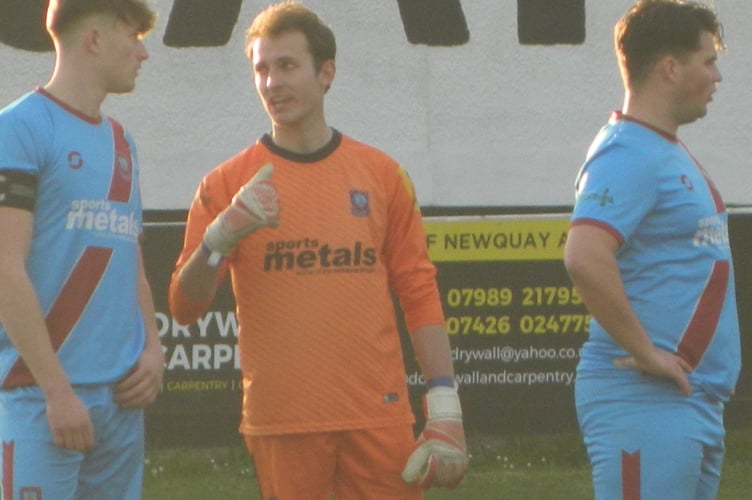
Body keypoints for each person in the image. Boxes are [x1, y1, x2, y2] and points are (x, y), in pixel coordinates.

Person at [168, 1, 468, 497]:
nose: (272, 83)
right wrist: (218, 240)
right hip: (282, 421)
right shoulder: (226, 184)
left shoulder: (382, 175)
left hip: (378, 415)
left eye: (287, 66)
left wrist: (446, 410)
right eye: (261, 69)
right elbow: (183, 306)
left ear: (325, 72)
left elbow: (418, 291)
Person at [563, 1, 741, 499]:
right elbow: (584, 254)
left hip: (687, 401)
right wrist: (646, 353)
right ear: (670, 67)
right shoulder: (628, 151)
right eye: (708, 61)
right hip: (646, 401)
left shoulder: (659, 147)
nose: (717, 76)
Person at [0, 0, 164, 498]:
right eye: (133, 35)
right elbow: (5, 268)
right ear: (93, 40)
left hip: (120, 404)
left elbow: (127, 255)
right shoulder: (18, 129)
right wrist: (57, 391)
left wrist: (153, 349)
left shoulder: (123, 143)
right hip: (41, 401)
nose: (143, 53)